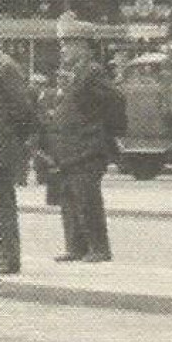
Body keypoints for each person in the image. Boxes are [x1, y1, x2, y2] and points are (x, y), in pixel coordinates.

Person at [44, 16, 125, 263]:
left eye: (68, 44)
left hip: (86, 147)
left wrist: (101, 131)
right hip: (70, 149)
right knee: (69, 198)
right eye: (63, 44)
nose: (63, 49)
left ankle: (99, 248)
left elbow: (116, 100)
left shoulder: (92, 72)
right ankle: (76, 247)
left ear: (83, 46)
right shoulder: (74, 73)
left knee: (87, 198)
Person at [0, 31, 36, 274]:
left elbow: (23, 107)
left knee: (1, 203)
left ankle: (8, 257)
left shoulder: (3, 66)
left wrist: (15, 139)